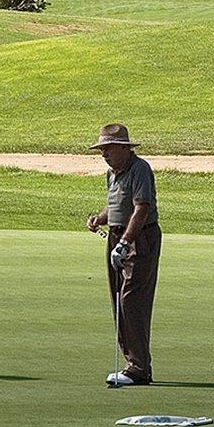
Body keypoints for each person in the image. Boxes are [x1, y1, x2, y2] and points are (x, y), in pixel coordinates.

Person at [84, 123, 160, 387]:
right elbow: (116, 204)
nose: (104, 153)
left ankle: (139, 368)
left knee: (132, 300)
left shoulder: (139, 169)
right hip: (118, 237)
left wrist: (125, 242)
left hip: (139, 238)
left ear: (124, 149)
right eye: (102, 149)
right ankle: (132, 364)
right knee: (118, 298)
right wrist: (100, 218)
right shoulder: (112, 173)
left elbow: (141, 209)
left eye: (108, 148)